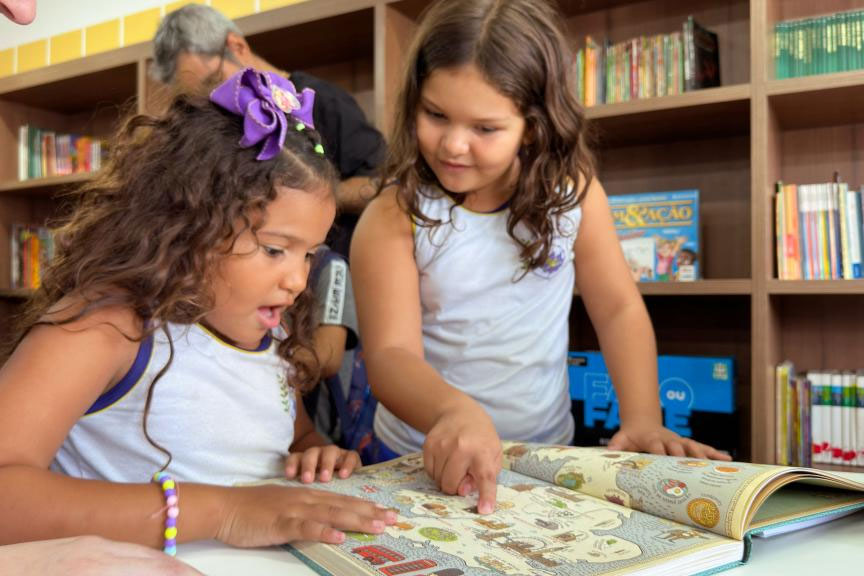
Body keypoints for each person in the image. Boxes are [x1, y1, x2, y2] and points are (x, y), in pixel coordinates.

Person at [351, 0, 732, 516]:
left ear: (532, 125)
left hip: (545, 453)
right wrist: (453, 412)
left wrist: (642, 416)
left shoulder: (572, 193)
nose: (454, 144)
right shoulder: (394, 214)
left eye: (485, 128)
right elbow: (391, 355)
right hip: (417, 456)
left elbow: (617, 308)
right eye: (435, 114)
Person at [0, 69, 396, 551]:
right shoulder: (108, 325)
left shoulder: (270, 336)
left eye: (309, 254)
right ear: (189, 228)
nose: (297, 281)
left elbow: (289, 439)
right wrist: (222, 512)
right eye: (275, 249)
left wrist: (315, 455)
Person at [152, 3, 386, 259]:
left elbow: (383, 185)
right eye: (202, 95)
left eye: (213, 82)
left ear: (237, 48)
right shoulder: (222, 125)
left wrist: (305, 192)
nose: (215, 100)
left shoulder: (324, 103)